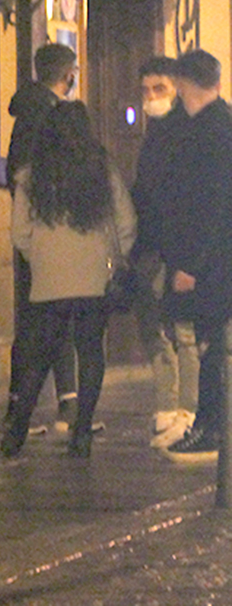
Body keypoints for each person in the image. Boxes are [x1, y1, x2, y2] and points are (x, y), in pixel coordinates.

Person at [4, 101, 135, 458]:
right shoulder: (101, 170)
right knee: (91, 351)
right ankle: (82, 432)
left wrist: (41, 259)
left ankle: (16, 429)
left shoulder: (31, 177)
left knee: (41, 354)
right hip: (94, 276)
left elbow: (19, 234)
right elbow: (125, 221)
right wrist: (113, 258)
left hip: (49, 280)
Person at [147, 50, 232, 464]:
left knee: (211, 346)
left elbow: (213, 204)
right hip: (212, 261)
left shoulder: (212, 131)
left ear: (185, 83)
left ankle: (211, 427)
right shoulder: (215, 124)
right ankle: (210, 425)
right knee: (211, 345)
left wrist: (192, 266)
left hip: (211, 265)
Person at [6, 43, 82, 433]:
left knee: (40, 316)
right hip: (50, 232)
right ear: (68, 74)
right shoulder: (50, 117)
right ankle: (43, 408)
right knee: (50, 317)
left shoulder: (28, 113)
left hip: (34, 232)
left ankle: (47, 404)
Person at [128, 56, 199, 449]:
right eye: (146, 90)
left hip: (178, 244)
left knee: (184, 330)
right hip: (152, 244)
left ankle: (187, 410)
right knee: (154, 326)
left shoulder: (186, 131)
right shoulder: (154, 132)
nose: (151, 98)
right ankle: (167, 406)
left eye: (160, 90)